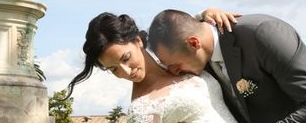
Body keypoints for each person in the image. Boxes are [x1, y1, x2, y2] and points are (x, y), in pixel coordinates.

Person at [148, 10, 306, 123]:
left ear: (194, 43)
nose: (174, 72)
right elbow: (182, 24)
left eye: (175, 65)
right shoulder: (199, 57)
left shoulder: (263, 34)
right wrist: (202, 15)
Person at [67, 10, 241, 123]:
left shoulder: (173, 53)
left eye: (126, 58)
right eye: (114, 69)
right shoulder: (141, 110)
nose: (126, 71)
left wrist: (206, 14)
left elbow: (187, 29)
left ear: (137, 41)